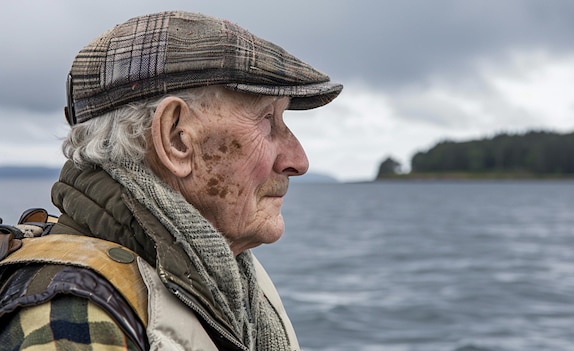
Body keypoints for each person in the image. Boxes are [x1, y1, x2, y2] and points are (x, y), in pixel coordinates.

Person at [0, 10, 341, 351]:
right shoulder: (71, 322)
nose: (298, 161)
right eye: (268, 120)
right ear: (176, 138)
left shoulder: (223, 276)